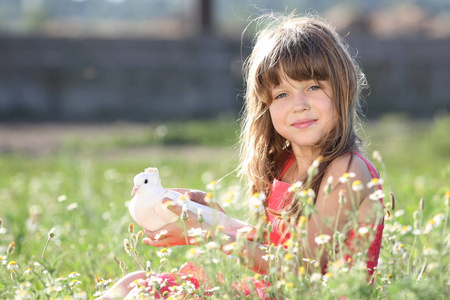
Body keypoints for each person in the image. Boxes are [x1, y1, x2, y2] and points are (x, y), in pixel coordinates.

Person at [99, 13, 384, 299]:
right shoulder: (284, 164)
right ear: (266, 105)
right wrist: (214, 218)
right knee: (132, 283)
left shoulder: (345, 171)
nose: (299, 105)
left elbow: (302, 267)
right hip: (276, 291)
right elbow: (273, 250)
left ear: (342, 88)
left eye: (313, 87)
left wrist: (211, 234)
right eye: (282, 94)